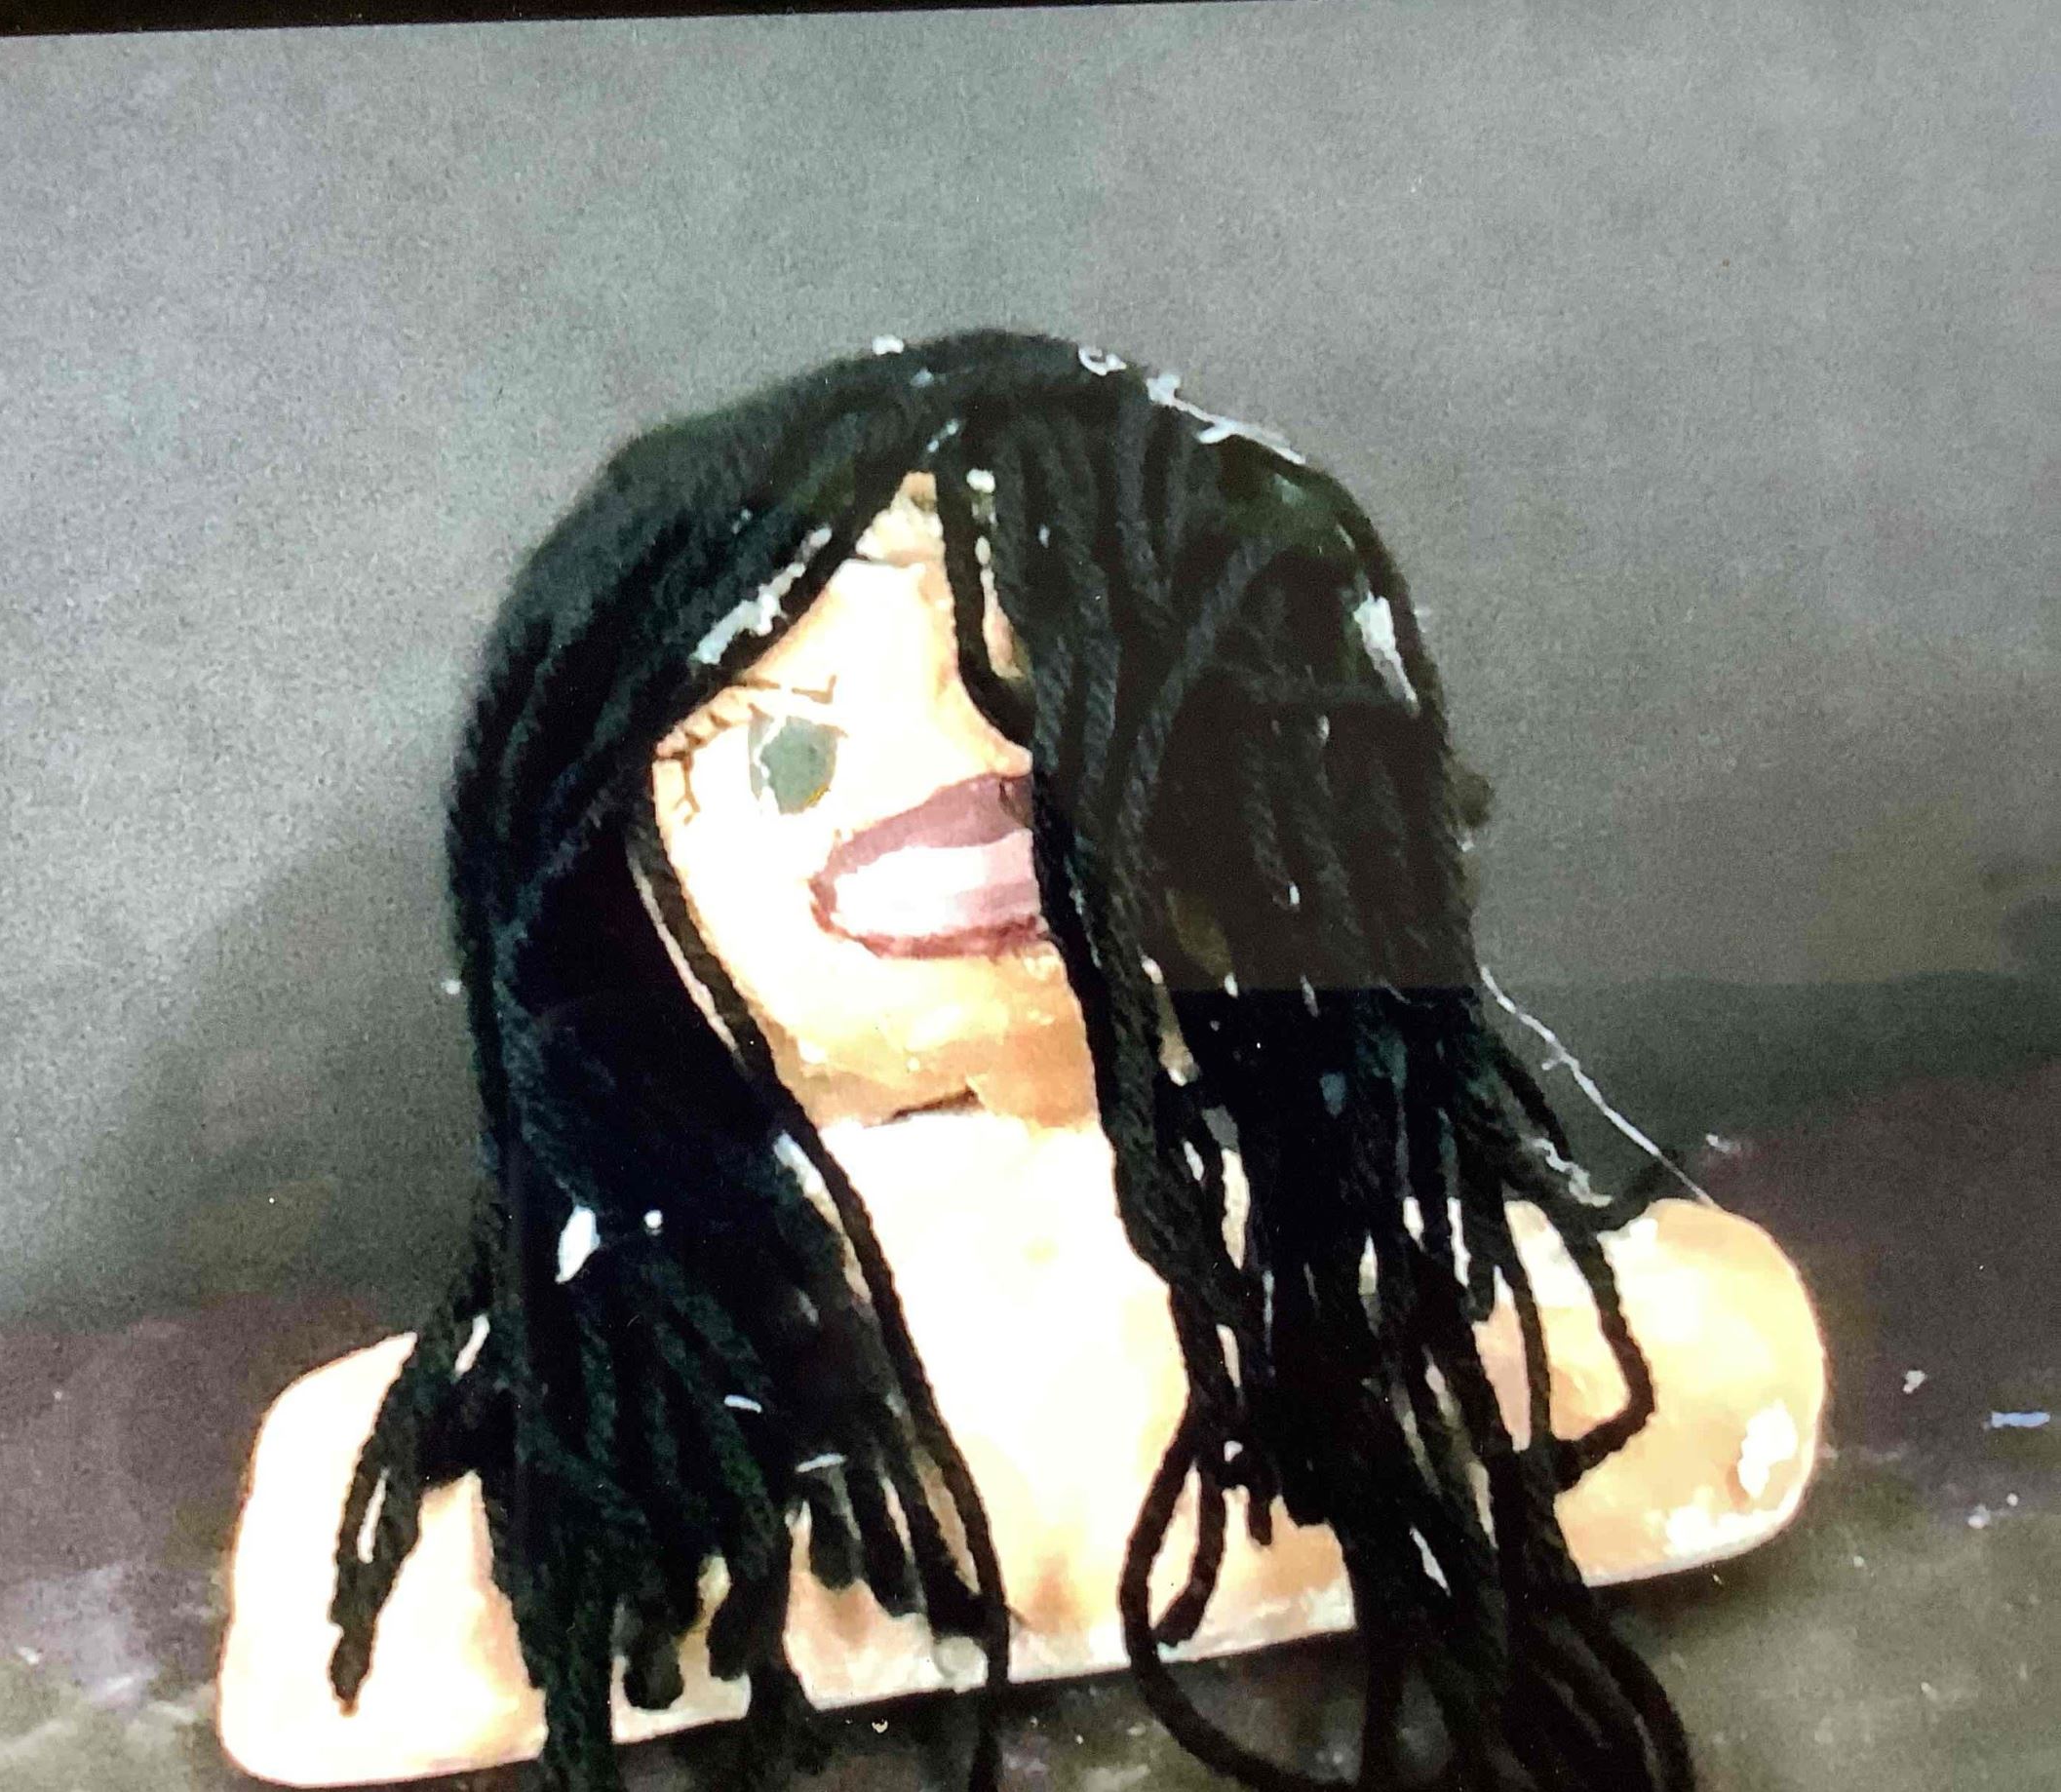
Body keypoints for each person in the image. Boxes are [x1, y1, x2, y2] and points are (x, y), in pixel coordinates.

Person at [215, 331, 1824, 1791]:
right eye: (786, 752)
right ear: (601, 879)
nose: (968, 796)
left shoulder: (1618, 1348)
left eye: (1073, 710)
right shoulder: (475, 1523)